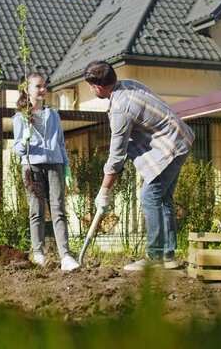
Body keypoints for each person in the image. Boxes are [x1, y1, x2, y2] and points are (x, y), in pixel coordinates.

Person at [83, 61, 195, 271]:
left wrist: (104, 191)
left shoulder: (120, 108)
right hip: (181, 139)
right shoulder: (129, 84)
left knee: (149, 196)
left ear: (97, 86)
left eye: (90, 86)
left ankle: (155, 257)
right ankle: (168, 256)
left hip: (169, 147)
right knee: (163, 199)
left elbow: (116, 154)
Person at [12, 72, 80, 271]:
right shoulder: (20, 118)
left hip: (55, 165)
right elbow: (19, 149)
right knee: (36, 211)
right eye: (38, 86)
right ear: (27, 90)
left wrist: (66, 167)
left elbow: (60, 142)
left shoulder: (53, 115)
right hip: (31, 166)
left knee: (58, 210)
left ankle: (66, 256)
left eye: (44, 86)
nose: (42, 90)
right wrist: (24, 139)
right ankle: (39, 253)